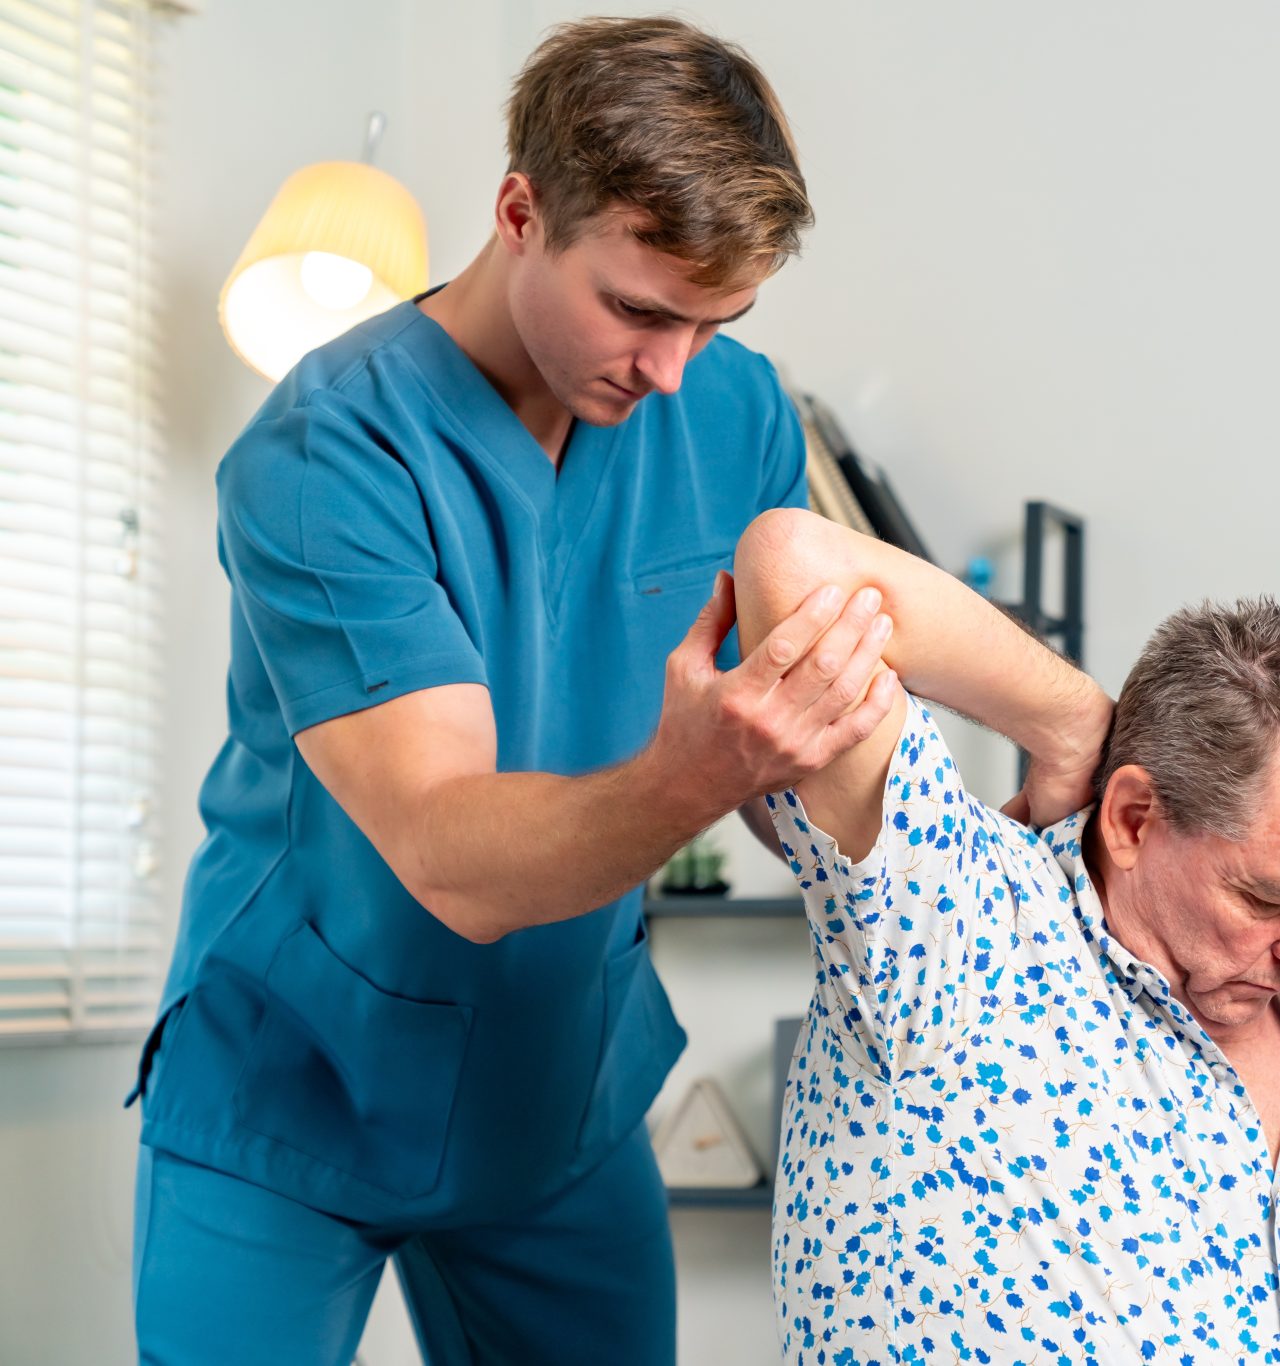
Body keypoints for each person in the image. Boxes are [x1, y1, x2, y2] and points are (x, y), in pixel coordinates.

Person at [129, 18, 906, 1365]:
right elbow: (455, 851)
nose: (673, 370)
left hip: (555, 1091)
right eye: (642, 311)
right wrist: (704, 768)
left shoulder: (734, 411)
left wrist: (1042, 757)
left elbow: (821, 719)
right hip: (293, 1080)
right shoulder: (329, 450)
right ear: (518, 211)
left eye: (717, 321)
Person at [735, 508, 1280, 1366]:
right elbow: (795, 563)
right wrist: (1073, 720)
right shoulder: (957, 929)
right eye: (1272, 898)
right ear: (1132, 817)